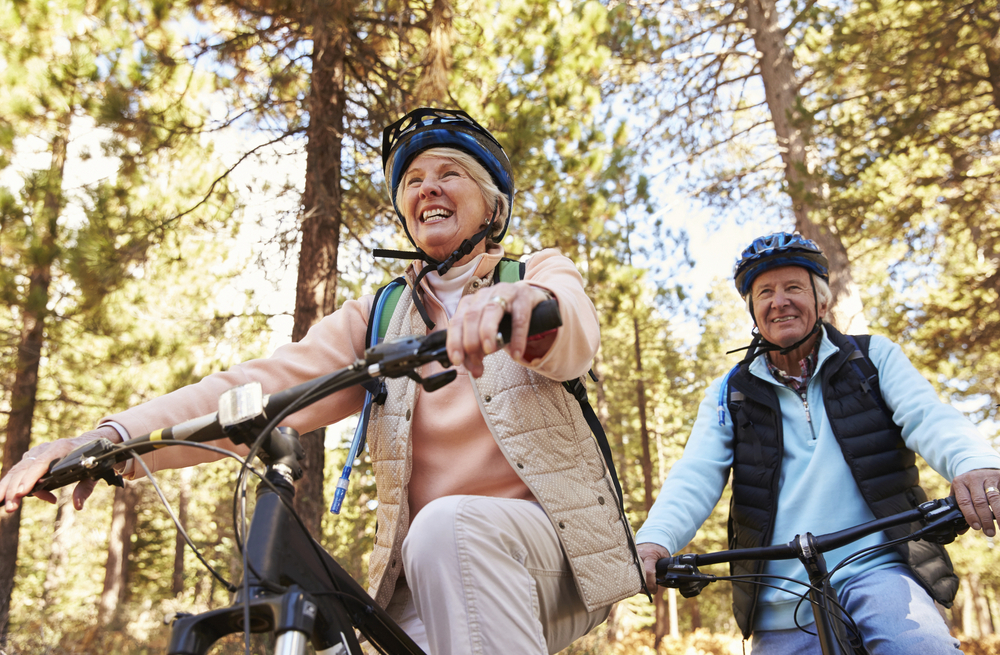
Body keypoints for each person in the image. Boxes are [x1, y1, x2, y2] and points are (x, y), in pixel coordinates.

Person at [0, 107, 644, 654]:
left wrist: (518, 308)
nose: (429, 188)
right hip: (433, 572)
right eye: (414, 180)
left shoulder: (532, 273)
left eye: (450, 173)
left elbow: (573, 333)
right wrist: (109, 440)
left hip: (556, 559)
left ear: (491, 203)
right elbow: (253, 385)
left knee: (450, 528)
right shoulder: (381, 317)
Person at [635, 232, 1000, 654]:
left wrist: (974, 463)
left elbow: (928, 418)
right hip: (779, 592)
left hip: (881, 569)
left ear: (822, 301)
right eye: (765, 293)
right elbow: (696, 473)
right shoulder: (730, 392)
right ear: (753, 311)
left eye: (794, 288)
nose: (779, 301)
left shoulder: (871, 358)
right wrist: (655, 539)